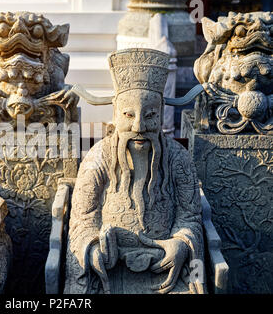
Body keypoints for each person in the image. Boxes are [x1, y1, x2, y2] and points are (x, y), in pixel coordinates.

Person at [64, 48, 206, 294]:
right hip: (109, 269)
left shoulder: (178, 158)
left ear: (161, 114)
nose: (139, 126)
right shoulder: (98, 158)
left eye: (150, 115)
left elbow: (189, 215)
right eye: (128, 115)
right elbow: (81, 221)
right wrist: (95, 249)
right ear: (115, 114)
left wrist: (182, 244)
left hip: (165, 267)